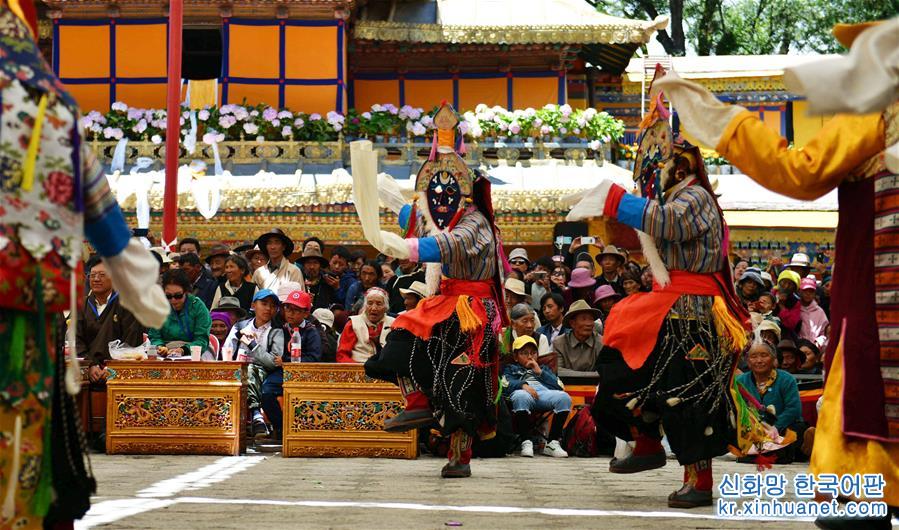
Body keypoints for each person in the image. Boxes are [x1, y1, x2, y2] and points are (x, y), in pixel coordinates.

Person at [655, 22, 899, 517]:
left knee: (862, 411)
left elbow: (800, 172)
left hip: (878, 298)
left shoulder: (878, 112)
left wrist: (721, 122)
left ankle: (862, 497)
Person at [567, 126, 765, 509]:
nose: (650, 172)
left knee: (689, 397)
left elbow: (670, 222)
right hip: (667, 307)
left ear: (678, 166)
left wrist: (615, 200)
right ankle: (646, 440)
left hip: (695, 313)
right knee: (621, 369)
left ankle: (699, 481)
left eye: (656, 164)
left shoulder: (696, 196)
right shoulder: (674, 197)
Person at [357, 104, 509, 479]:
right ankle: (418, 401)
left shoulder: (475, 223)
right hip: (444, 305)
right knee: (400, 341)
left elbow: (448, 244)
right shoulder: (446, 219)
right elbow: (423, 226)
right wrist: (391, 203)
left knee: (462, 382)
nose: (440, 198)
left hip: (473, 311)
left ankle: (460, 454)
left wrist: (405, 247)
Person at [260, 290, 323, 439]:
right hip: (283, 372)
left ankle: (299, 430)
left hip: (303, 373)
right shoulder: (281, 329)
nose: (290, 313)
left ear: (306, 313)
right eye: (288, 308)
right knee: (266, 391)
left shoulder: (311, 332)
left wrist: (286, 362)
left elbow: (314, 358)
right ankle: (281, 427)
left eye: (296, 310)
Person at [223, 289, 285, 438]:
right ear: (253, 305)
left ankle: (256, 415)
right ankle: (254, 419)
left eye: (273, 306)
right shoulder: (240, 327)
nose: (268, 309)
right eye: (264, 304)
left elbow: (273, 362)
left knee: (250, 371)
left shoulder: (276, 330)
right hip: (237, 369)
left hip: (263, 372)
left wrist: (252, 345)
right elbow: (228, 350)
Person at [737, 340, 810, 463]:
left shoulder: (787, 379)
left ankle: (802, 448)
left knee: (796, 431)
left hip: (782, 427)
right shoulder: (740, 381)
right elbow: (738, 409)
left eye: (764, 355)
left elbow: (794, 409)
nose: (759, 360)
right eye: (753, 356)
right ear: (748, 361)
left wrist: (775, 427)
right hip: (753, 429)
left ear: (774, 359)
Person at [76, 258, 145, 383]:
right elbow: (77, 340)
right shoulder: (82, 304)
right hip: (89, 372)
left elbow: (131, 340)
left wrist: (111, 367)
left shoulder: (127, 304)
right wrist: (90, 365)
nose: (96, 279)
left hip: (119, 371)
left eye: (102, 275)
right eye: (92, 275)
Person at [503, 336, 571, 458]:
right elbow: (505, 384)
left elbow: (559, 386)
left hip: (544, 393)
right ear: (516, 357)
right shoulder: (511, 368)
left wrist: (540, 372)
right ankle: (526, 442)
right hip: (523, 394)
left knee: (564, 397)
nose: (530, 357)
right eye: (524, 353)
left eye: (533, 353)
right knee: (520, 396)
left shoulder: (543, 368)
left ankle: (552, 443)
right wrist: (522, 385)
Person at [149, 270, 212, 357]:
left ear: (186, 291)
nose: (173, 300)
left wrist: (183, 350)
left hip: (195, 351)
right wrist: (160, 347)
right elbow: (154, 336)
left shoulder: (198, 306)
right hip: (165, 352)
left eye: (178, 295)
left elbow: (202, 339)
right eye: (168, 296)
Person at [336, 287, 394, 363]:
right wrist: (355, 369)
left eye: (379, 304)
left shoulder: (394, 324)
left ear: (386, 307)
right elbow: (342, 355)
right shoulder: (353, 323)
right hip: (358, 366)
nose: (374, 308)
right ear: (364, 306)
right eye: (370, 303)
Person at [553, 300, 603, 372]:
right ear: (572, 323)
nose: (589, 324)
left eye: (591, 319)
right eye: (583, 319)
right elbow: (559, 371)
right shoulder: (559, 343)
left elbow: (603, 372)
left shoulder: (601, 342)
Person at [252, 228, 304, 293]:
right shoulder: (259, 272)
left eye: (277, 243)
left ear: (283, 247)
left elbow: (298, 296)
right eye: (269, 243)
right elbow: (253, 296)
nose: (273, 247)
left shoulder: (294, 271)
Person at [297, 246, 336, 311]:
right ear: (303, 265)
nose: (312, 267)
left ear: (320, 265)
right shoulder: (298, 280)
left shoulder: (328, 281)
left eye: (315, 263)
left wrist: (337, 288)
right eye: (308, 263)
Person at [799, 277, 829, 351]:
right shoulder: (795, 309)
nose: (808, 294)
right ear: (800, 291)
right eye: (805, 291)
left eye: (811, 291)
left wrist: (818, 342)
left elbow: (824, 333)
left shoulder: (819, 311)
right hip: (798, 348)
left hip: (815, 349)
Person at [776, 270, 802, 340]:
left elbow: (791, 324)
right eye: (784, 282)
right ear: (779, 282)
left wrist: (782, 306)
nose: (786, 286)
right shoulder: (771, 294)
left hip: (786, 336)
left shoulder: (795, 302)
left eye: (790, 284)